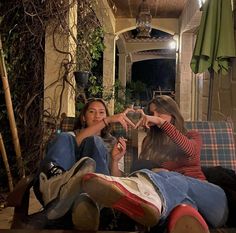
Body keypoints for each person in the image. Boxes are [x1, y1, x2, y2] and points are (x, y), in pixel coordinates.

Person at [80, 95, 229, 232]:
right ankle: (182, 218)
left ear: (172, 113)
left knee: (167, 177)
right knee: (178, 206)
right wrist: (115, 160)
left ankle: (150, 201)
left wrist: (161, 123)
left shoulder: (192, 136)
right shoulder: (149, 144)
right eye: (152, 113)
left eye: (159, 113)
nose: (154, 117)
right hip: (176, 205)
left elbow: (189, 150)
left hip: (211, 200)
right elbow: (129, 178)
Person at [33, 98, 135, 230]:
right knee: (66, 137)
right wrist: (107, 120)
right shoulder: (69, 137)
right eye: (92, 112)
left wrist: (115, 160)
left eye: (102, 112)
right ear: (83, 117)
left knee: (95, 141)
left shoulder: (114, 143)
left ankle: (94, 206)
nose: (97, 116)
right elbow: (78, 140)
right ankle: (58, 193)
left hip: (96, 197)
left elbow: (117, 179)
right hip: (61, 197)